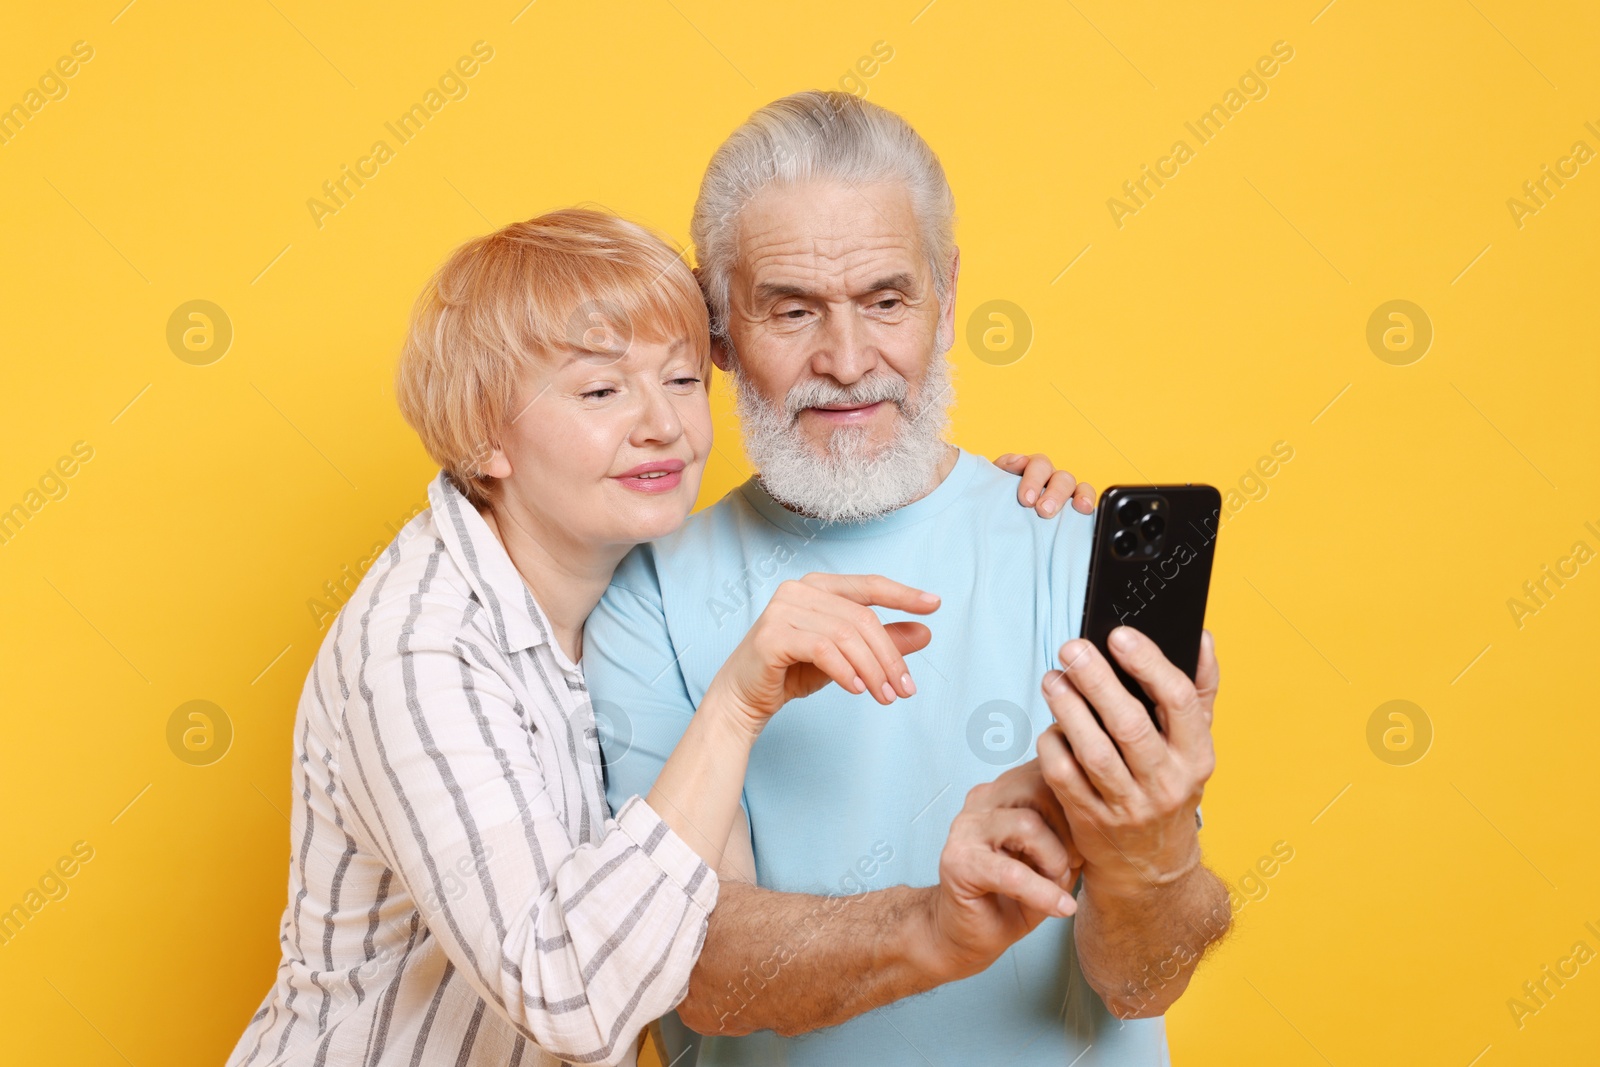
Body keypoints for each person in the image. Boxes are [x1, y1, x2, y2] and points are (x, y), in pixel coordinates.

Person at [225, 207, 1090, 1066]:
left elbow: (686, 922)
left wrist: (983, 505)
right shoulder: (419, 650)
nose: (663, 426)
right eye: (602, 390)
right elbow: (566, 997)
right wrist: (738, 702)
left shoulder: (617, 599)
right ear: (487, 434)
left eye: (681, 381)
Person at [584, 91, 1232, 1066]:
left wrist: (1150, 855)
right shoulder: (644, 597)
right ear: (716, 329)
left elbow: (1143, 979)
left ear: (948, 293)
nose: (847, 361)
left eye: (886, 300)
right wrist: (937, 920)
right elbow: (692, 969)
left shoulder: (1077, 548)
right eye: (791, 309)